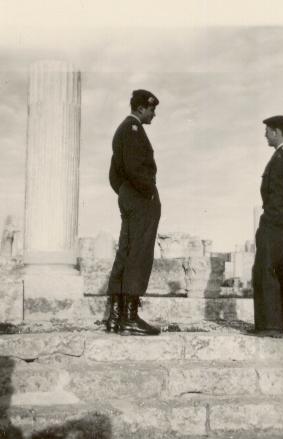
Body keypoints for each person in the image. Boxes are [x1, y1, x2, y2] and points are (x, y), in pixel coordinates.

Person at [105, 89, 161, 336]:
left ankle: (115, 317)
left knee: (126, 251)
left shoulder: (122, 130)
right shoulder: (133, 130)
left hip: (129, 195)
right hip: (139, 199)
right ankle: (129, 317)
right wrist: (147, 192)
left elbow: (114, 174)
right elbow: (135, 168)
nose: (154, 114)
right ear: (141, 108)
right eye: (152, 109)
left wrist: (124, 191)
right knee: (139, 252)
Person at [251, 115, 283, 338]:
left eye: (268, 131)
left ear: (276, 132)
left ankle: (270, 326)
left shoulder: (282, 157)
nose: (265, 135)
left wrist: (269, 221)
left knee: (264, 269)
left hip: (277, 223)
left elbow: (281, 194)